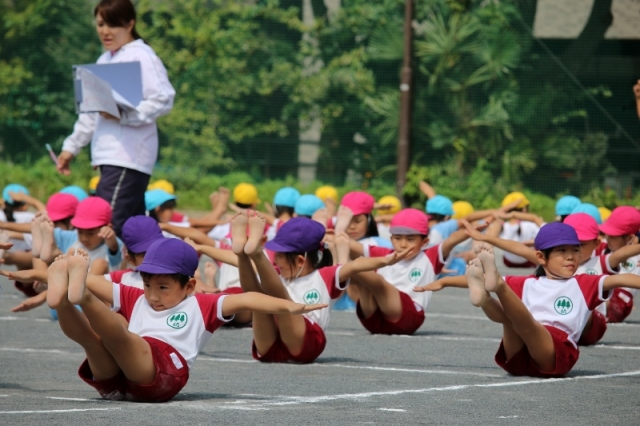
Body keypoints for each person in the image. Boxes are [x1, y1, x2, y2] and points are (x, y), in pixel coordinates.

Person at [45, 239, 327, 402]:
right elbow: (93, 280)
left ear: (189, 286)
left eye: (163, 288)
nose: (153, 296)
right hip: (120, 379)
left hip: (165, 371)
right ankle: (64, 303)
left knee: (121, 334)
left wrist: (291, 307)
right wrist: (48, 273)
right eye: (148, 285)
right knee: (92, 342)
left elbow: (249, 299)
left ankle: (82, 298)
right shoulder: (136, 297)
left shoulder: (203, 305)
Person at [56, 0, 175, 237]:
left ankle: (102, 274)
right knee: (134, 234)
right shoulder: (104, 60)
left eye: (113, 24)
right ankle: (141, 272)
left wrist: (124, 115)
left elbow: (164, 98)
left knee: (101, 229)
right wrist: (71, 147)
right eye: (100, 24)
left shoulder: (141, 55)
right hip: (110, 158)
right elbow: (91, 112)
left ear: (130, 23)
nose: (105, 31)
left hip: (128, 158)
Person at [462, 223, 640, 378]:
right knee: (511, 319)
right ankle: (485, 299)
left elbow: (621, 279)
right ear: (541, 257)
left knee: (522, 321)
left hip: (555, 351)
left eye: (575, 250)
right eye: (562, 251)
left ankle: (495, 290)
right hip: (519, 355)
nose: (570, 256)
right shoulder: (529, 282)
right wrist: (447, 282)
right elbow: (474, 280)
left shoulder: (585, 282)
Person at [231, 213, 408, 363]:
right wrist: (241, 256)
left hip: (305, 344)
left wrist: (385, 260)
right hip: (271, 343)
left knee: (282, 301)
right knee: (256, 299)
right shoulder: (276, 276)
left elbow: (355, 266)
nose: (276, 260)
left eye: (279, 256)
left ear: (300, 260)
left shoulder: (325, 276)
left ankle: (256, 253)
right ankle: (242, 252)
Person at [345, 208, 468, 335]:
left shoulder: (430, 256)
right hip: (374, 321)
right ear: (391, 239)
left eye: (410, 239)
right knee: (361, 276)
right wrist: (335, 234)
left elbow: (451, 240)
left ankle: (342, 269)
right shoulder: (383, 254)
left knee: (374, 280)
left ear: (424, 242)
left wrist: (470, 232)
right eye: (398, 238)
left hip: (408, 318)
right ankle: (340, 270)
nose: (403, 244)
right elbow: (346, 242)